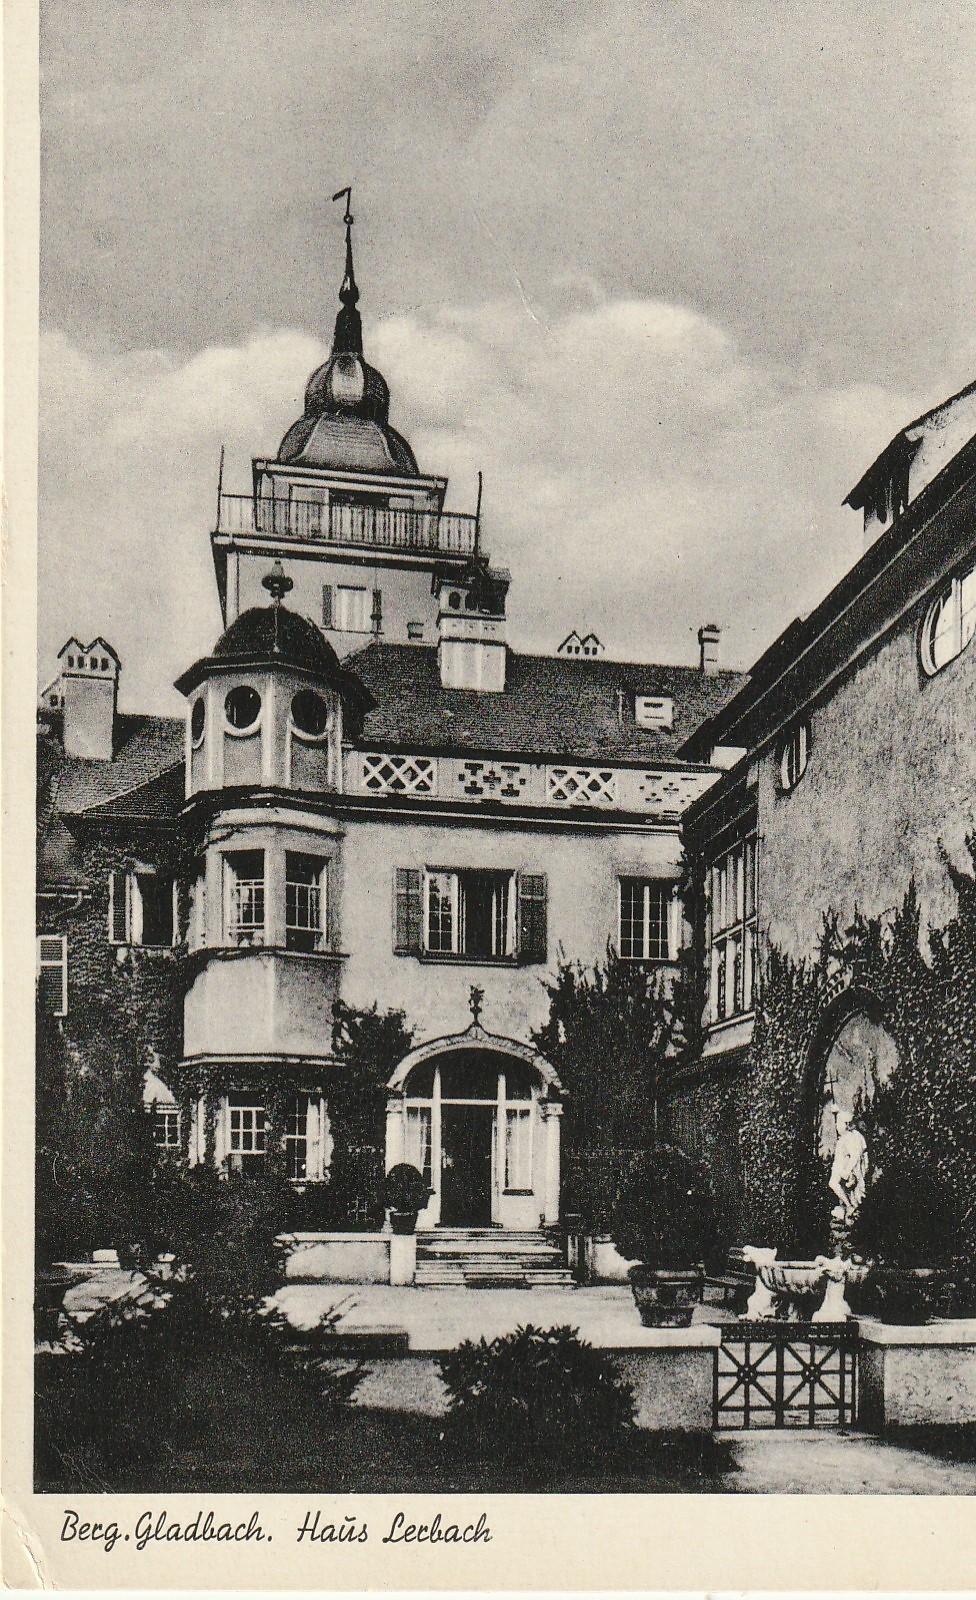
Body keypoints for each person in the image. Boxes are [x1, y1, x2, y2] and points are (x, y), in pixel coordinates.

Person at [828, 1107, 868, 1220]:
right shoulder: (844, 1137)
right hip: (839, 1166)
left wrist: (847, 1170)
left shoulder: (849, 1137)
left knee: (836, 1184)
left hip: (843, 1168)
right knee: (836, 1185)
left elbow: (854, 1156)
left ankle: (849, 1206)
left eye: (839, 1123)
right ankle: (847, 1206)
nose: (837, 1126)